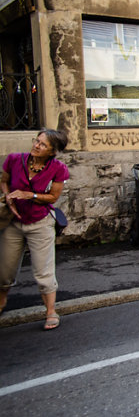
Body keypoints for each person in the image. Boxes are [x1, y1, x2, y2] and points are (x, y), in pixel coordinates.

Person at [0, 129, 70, 330]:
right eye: (36, 141)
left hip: (40, 222)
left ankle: (50, 311)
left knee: (43, 270)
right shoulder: (14, 160)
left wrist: (29, 195)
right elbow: (4, 181)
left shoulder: (58, 168)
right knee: (5, 267)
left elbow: (53, 197)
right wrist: (8, 196)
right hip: (14, 222)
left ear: (52, 151)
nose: (36, 146)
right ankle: (2, 301)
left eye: (42, 144)